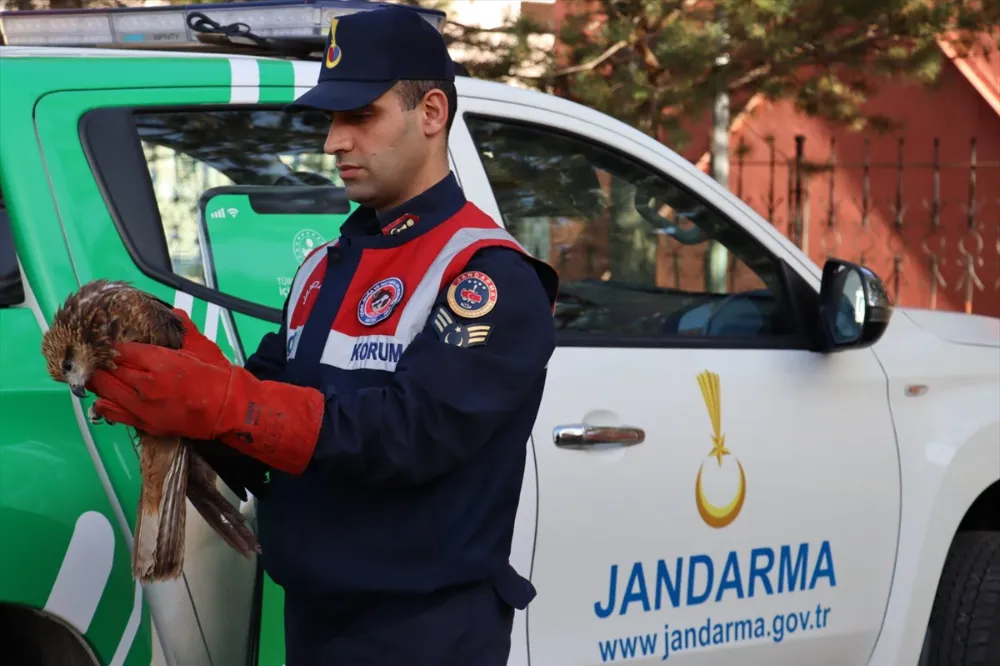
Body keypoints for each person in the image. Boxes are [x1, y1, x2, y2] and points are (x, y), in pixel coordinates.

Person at [86, 4, 560, 665]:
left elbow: (410, 434)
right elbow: (268, 436)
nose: (335, 141)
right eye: (332, 119)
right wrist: (186, 398)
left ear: (431, 113)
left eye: (360, 115)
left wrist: (230, 402)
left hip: (424, 629)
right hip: (316, 619)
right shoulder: (323, 268)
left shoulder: (486, 274)